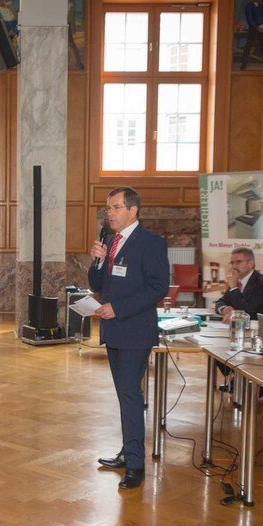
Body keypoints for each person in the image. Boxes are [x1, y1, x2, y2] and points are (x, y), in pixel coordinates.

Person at [88, 187, 169, 490]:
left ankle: (135, 465)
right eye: (108, 208)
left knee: (130, 395)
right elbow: (97, 283)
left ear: (133, 210)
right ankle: (127, 452)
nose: (109, 213)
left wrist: (117, 308)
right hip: (113, 330)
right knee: (125, 395)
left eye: (116, 207)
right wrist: (96, 260)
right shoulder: (110, 240)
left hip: (135, 330)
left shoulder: (151, 243)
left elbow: (158, 288)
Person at [214, 247, 263, 321]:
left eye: (238, 262)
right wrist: (224, 309)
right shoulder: (236, 280)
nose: (234, 266)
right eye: (232, 263)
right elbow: (221, 301)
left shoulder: (261, 284)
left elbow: (248, 312)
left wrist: (233, 288)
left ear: (250, 264)